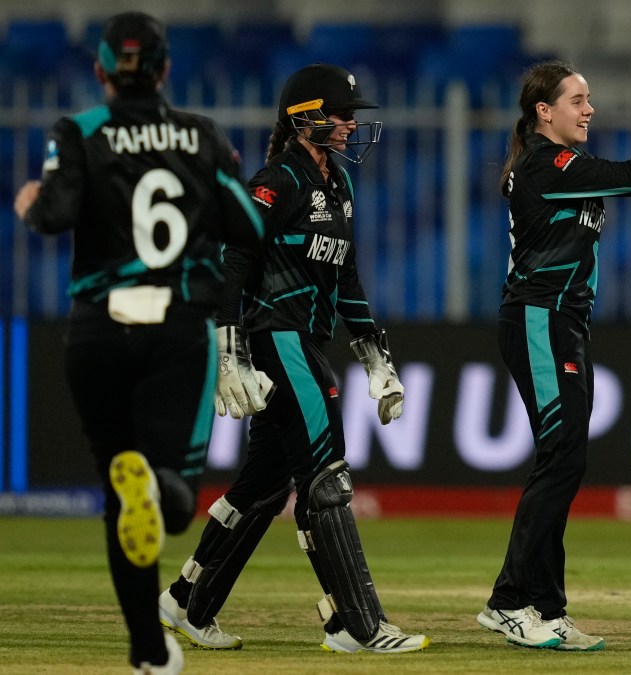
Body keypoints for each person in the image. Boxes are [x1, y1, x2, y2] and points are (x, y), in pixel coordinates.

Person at [13, 11, 267, 674]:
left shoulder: (78, 131)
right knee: (171, 500)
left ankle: (148, 651)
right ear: (165, 70)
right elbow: (248, 226)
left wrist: (31, 201)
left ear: (100, 70)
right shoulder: (200, 135)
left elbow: (54, 215)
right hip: (178, 326)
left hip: (98, 326)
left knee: (119, 495)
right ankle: (157, 485)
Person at [157, 63, 429, 655]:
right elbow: (234, 257)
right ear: (306, 118)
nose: (351, 125)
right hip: (277, 339)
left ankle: (186, 601)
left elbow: (346, 278)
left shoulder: (340, 186)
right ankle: (356, 625)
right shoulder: (278, 180)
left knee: (263, 485)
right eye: (341, 115)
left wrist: (375, 356)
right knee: (326, 477)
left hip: (306, 340)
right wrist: (228, 348)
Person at [474, 57, 631, 651]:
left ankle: (546, 608)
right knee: (563, 459)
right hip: (541, 318)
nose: (589, 110)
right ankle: (510, 602)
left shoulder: (555, 164)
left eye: (589, 98)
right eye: (577, 100)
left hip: (560, 323)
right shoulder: (547, 164)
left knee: (562, 459)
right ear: (543, 111)